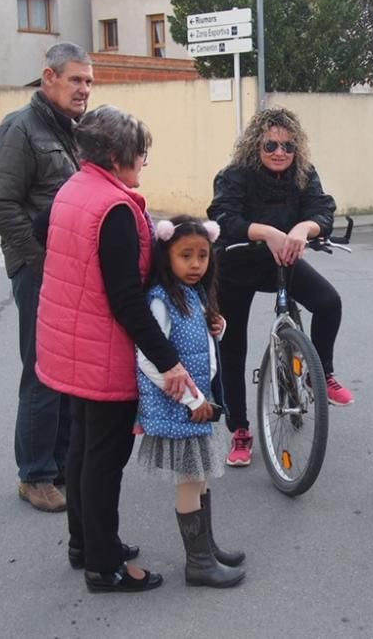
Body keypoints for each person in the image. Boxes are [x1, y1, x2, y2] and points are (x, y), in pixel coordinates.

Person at [37, 105, 194, 593]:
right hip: (100, 351)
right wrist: (169, 361)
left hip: (69, 343)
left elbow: (48, 234)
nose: (143, 162)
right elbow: (127, 301)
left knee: (83, 449)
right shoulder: (115, 209)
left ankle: (86, 542)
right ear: (116, 154)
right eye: (139, 153)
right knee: (105, 459)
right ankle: (104, 567)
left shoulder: (74, 189)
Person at [208, 107, 352, 469]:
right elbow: (224, 216)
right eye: (270, 144)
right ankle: (239, 429)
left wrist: (304, 229)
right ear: (256, 144)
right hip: (237, 265)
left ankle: (322, 374)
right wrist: (267, 232)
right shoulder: (236, 175)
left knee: (328, 302)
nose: (279, 152)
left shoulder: (303, 174)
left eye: (287, 147)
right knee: (232, 346)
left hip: (282, 263)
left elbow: (323, 210)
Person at [0, 42, 93, 513]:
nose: (84, 89)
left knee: (68, 372)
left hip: (71, 272)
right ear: (48, 77)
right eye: (76, 79)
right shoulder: (20, 129)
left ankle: (62, 465)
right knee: (43, 372)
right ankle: (35, 474)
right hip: (39, 271)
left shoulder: (74, 131)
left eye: (89, 81)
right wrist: (40, 259)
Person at [136, 216, 246, 588]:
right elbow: (149, 360)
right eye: (186, 256)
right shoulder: (161, 300)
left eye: (202, 256)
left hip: (197, 403)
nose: (196, 264)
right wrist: (191, 399)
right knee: (190, 479)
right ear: (166, 256)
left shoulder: (194, 294)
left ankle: (207, 547)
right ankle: (198, 563)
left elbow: (203, 347)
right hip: (180, 408)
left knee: (200, 480)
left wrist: (219, 326)